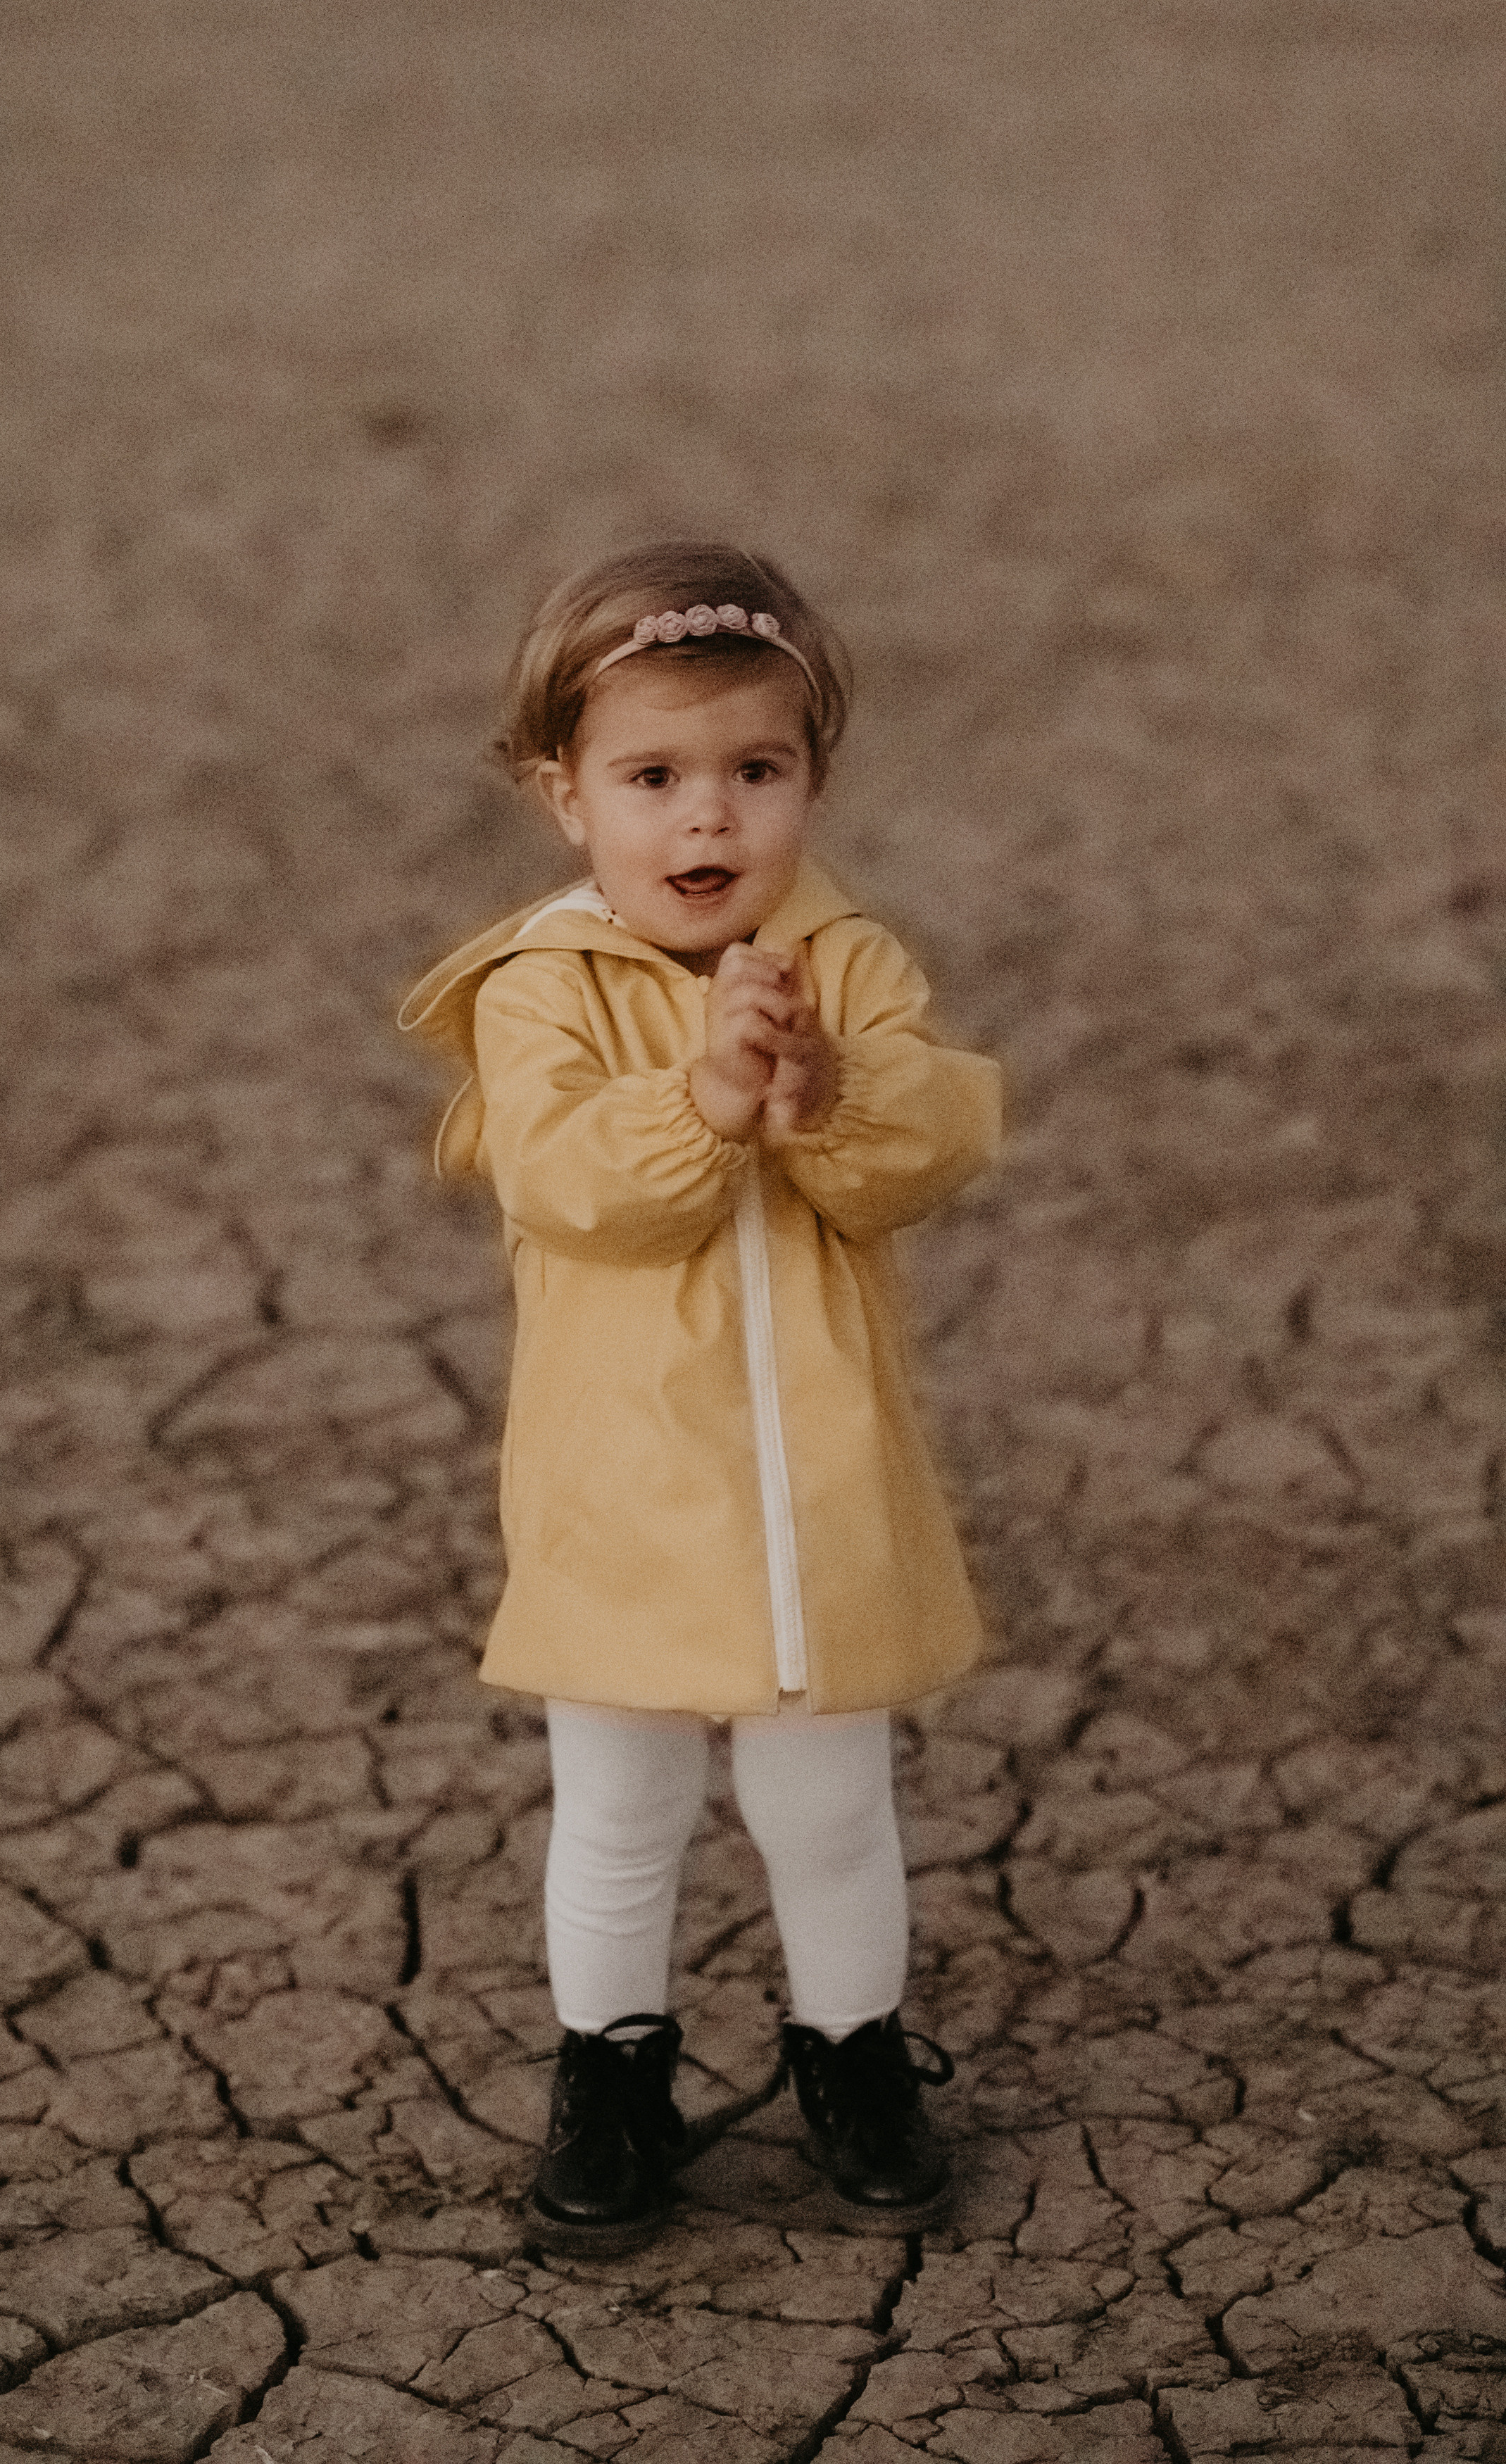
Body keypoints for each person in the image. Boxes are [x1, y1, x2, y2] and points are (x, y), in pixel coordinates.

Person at [401, 541, 1002, 2251]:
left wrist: (822, 1085)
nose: (708, 822)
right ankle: (611, 2070)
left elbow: (929, 1147)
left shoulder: (850, 963)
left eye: (756, 771)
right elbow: (578, 1183)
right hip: (624, 1497)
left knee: (827, 1809)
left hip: (821, 1493)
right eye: (652, 778)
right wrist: (710, 1097)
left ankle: (854, 2055)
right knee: (622, 1811)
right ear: (563, 797)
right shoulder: (542, 988)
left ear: (812, 777)